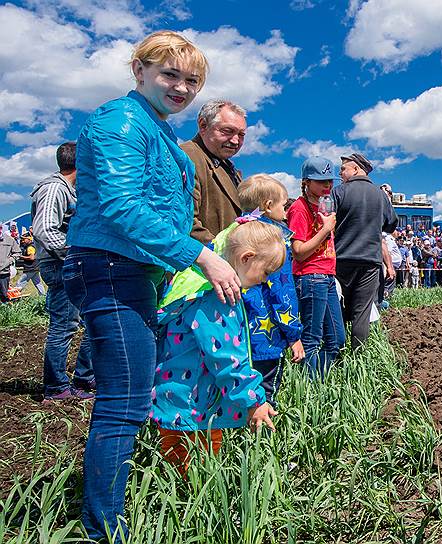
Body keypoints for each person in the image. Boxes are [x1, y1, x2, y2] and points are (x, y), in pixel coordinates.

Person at [63, 31, 241, 541]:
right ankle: (103, 529)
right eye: (170, 74)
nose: (181, 87)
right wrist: (200, 254)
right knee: (123, 402)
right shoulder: (121, 121)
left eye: (191, 80)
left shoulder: (156, 128)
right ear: (139, 70)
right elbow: (121, 207)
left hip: (137, 271)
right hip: (111, 267)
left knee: (134, 395)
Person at [151, 220, 282, 475]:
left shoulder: (193, 284)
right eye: (266, 272)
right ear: (246, 258)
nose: (264, 281)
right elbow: (227, 359)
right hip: (197, 408)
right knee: (198, 476)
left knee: (174, 467)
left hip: (175, 400)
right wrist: (254, 400)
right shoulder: (216, 299)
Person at [230, 174, 304, 406]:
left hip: (234, 330)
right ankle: (261, 439)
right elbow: (282, 293)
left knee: (239, 389)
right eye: (283, 205)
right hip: (266, 333)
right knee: (265, 392)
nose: (285, 211)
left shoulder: (234, 232)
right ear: (268, 206)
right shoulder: (274, 242)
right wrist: (293, 334)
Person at [30, 141, 95, 400]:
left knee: (91, 322)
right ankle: (57, 386)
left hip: (70, 264)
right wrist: (73, 253)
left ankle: (85, 377)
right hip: (60, 265)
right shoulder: (55, 188)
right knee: (64, 326)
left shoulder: (70, 190)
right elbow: (45, 229)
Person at [333, 153, 397, 349]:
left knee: (339, 309)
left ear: (356, 169)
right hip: (369, 261)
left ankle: (338, 354)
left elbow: (327, 222)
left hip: (341, 259)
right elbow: (390, 225)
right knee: (362, 312)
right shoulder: (380, 195)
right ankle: (358, 357)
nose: (340, 172)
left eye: (343, 169)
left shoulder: (338, 192)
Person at [288, 157, 343, 377]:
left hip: (326, 276)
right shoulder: (299, 209)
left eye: (329, 181)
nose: (327, 186)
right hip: (311, 277)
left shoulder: (323, 205)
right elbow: (299, 252)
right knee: (312, 339)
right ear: (306, 182)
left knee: (337, 339)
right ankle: (309, 391)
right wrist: (325, 229)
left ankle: (320, 381)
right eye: (321, 181)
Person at [182, 99, 247, 244]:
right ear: (203, 125)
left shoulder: (227, 166)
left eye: (241, 135)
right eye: (228, 131)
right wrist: (226, 253)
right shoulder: (187, 157)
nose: (236, 141)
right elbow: (186, 223)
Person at [0, 225, 20, 302]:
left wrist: (8, 261)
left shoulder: (9, 240)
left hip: (3, 272)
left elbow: (17, 253)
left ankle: (5, 312)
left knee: (4, 294)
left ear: (1, 228)